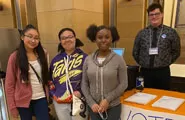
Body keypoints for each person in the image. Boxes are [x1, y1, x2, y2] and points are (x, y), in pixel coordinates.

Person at [81, 24, 128, 120]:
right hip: (94, 108)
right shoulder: (88, 60)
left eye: (107, 37)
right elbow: (84, 84)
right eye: (100, 37)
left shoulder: (119, 60)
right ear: (95, 39)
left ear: (112, 39)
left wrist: (107, 100)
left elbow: (124, 84)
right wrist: (91, 103)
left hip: (113, 107)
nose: (103, 40)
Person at [5, 24, 49, 120]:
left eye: (36, 38)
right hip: (22, 101)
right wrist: (12, 107)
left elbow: (46, 76)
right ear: (22, 37)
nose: (33, 40)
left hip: (41, 97)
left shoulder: (43, 53)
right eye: (30, 36)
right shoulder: (14, 57)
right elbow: (9, 84)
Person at [133, 3, 181, 90]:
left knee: (163, 97)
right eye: (151, 14)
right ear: (148, 16)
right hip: (145, 72)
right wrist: (143, 62)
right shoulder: (142, 33)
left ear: (162, 14)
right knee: (143, 96)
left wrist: (166, 61)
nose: (154, 17)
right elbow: (135, 52)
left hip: (162, 72)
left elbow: (176, 51)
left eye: (157, 14)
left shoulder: (170, 32)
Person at [49, 28, 87, 120]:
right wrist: (54, 95)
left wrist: (81, 92)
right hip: (60, 102)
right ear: (60, 41)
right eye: (63, 38)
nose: (67, 40)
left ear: (75, 38)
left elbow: (90, 80)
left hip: (79, 100)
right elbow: (50, 80)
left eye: (70, 37)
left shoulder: (85, 58)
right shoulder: (55, 60)